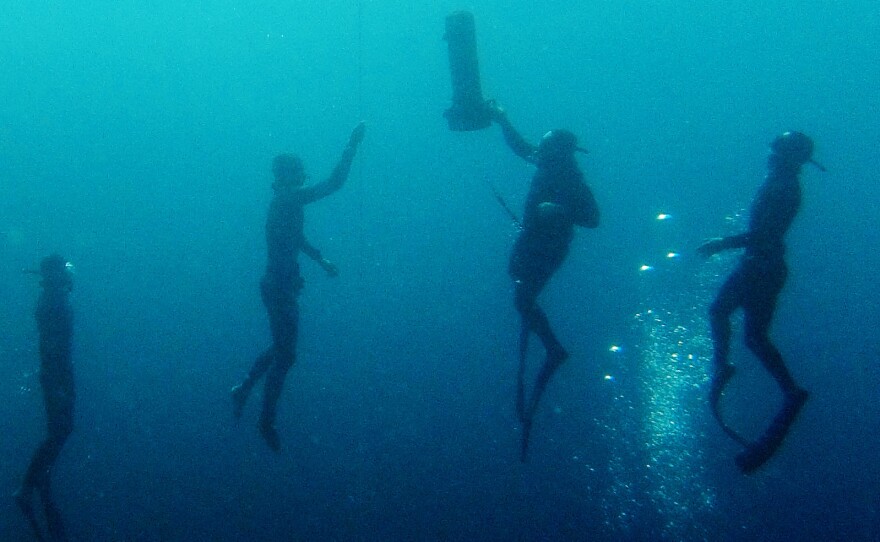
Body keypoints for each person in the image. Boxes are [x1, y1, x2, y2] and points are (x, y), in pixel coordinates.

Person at [231, 122, 365, 451]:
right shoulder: (289, 201)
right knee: (286, 355)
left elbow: (295, 238)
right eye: (300, 171)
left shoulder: (283, 203)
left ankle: (246, 388)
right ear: (290, 175)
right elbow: (335, 183)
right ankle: (265, 418)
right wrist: (352, 145)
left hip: (279, 286)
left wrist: (320, 260)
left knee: (283, 349)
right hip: (280, 288)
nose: (304, 175)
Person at [698, 131, 824, 473]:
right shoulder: (781, 182)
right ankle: (788, 388)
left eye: (776, 150)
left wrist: (721, 243)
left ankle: (724, 365)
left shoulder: (783, 188)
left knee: (721, 312)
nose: (769, 154)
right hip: (765, 266)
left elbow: (766, 234)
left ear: (788, 156)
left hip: (760, 266)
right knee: (754, 336)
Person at [488, 103, 600, 461]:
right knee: (517, 287)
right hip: (532, 240)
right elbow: (521, 147)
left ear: (562, 151)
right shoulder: (547, 161)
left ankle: (554, 349)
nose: (543, 150)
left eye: (548, 147)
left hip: (550, 246)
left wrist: (561, 210)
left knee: (523, 299)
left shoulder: (571, 176)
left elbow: (593, 218)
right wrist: (503, 118)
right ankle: (552, 347)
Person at [15, 254, 75, 541]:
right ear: (51, 275)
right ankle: (28, 487)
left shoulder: (53, 297)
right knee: (59, 430)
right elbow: (52, 345)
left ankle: (39, 477)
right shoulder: (50, 302)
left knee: (62, 429)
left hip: (60, 374)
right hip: (56, 374)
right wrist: (58, 382)